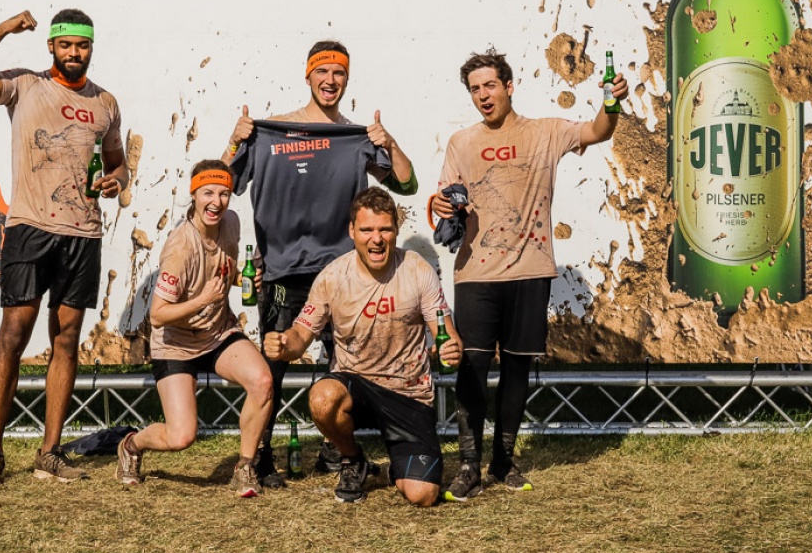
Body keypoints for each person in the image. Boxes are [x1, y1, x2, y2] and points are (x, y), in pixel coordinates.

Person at [430, 49, 627, 500]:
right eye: (475, 89)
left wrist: (611, 103)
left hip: (530, 269)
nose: (483, 95)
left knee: (517, 369)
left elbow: (598, 130)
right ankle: (469, 466)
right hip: (476, 272)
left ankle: (503, 462)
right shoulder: (461, 142)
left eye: (490, 85)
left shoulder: (546, 131)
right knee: (472, 369)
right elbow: (446, 199)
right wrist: (441, 203)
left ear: (509, 86)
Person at [224, 40, 419, 486]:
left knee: (342, 362)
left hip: (339, 273)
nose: (331, 81)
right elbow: (221, 182)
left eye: (339, 73)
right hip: (280, 272)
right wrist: (235, 139)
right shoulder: (270, 132)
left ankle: (337, 450)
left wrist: (389, 142)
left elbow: (407, 186)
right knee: (272, 364)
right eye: (323, 72)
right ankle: (260, 457)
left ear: (347, 79)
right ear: (308, 75)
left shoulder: (355, 137)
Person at [0, 8, 128, 487]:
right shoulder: (25, 85)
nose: (74, 53)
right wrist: (1, 30)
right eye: (66, 44)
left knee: (66, 339)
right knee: (13, 335)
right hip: (30, 227)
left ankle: (50, 452)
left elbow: (119, 164)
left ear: (91, 48)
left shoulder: (105, 103)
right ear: (51, 46)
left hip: (83, 233)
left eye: (82, 45)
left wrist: (116, 181)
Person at [264, 187, 460, 506]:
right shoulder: (332, 276)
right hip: (355, 384)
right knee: (323, 398)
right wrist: (285, 344)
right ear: (351, 231)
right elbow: (301, 334)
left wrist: (451, 348)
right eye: (367, 230)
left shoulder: (417, 269)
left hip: (408, 392)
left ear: (396, 230)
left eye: (385, 229)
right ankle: (353, 458)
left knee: (422, 496)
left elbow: (447, 334)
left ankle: (400, 466)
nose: (376, 239)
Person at [114, 160, 274, 497]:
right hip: (176, 343)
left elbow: (219, 273)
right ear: (194, 195)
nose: (216, 202)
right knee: (182, 436)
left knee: (262, 381)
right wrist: (203, 299)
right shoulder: (180, 247)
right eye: (208, 193)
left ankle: (245, 466)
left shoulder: (231, 222)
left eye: (224, 194)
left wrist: (240, 279)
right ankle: (131, 444)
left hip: (218, 333)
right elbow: (158, 315)